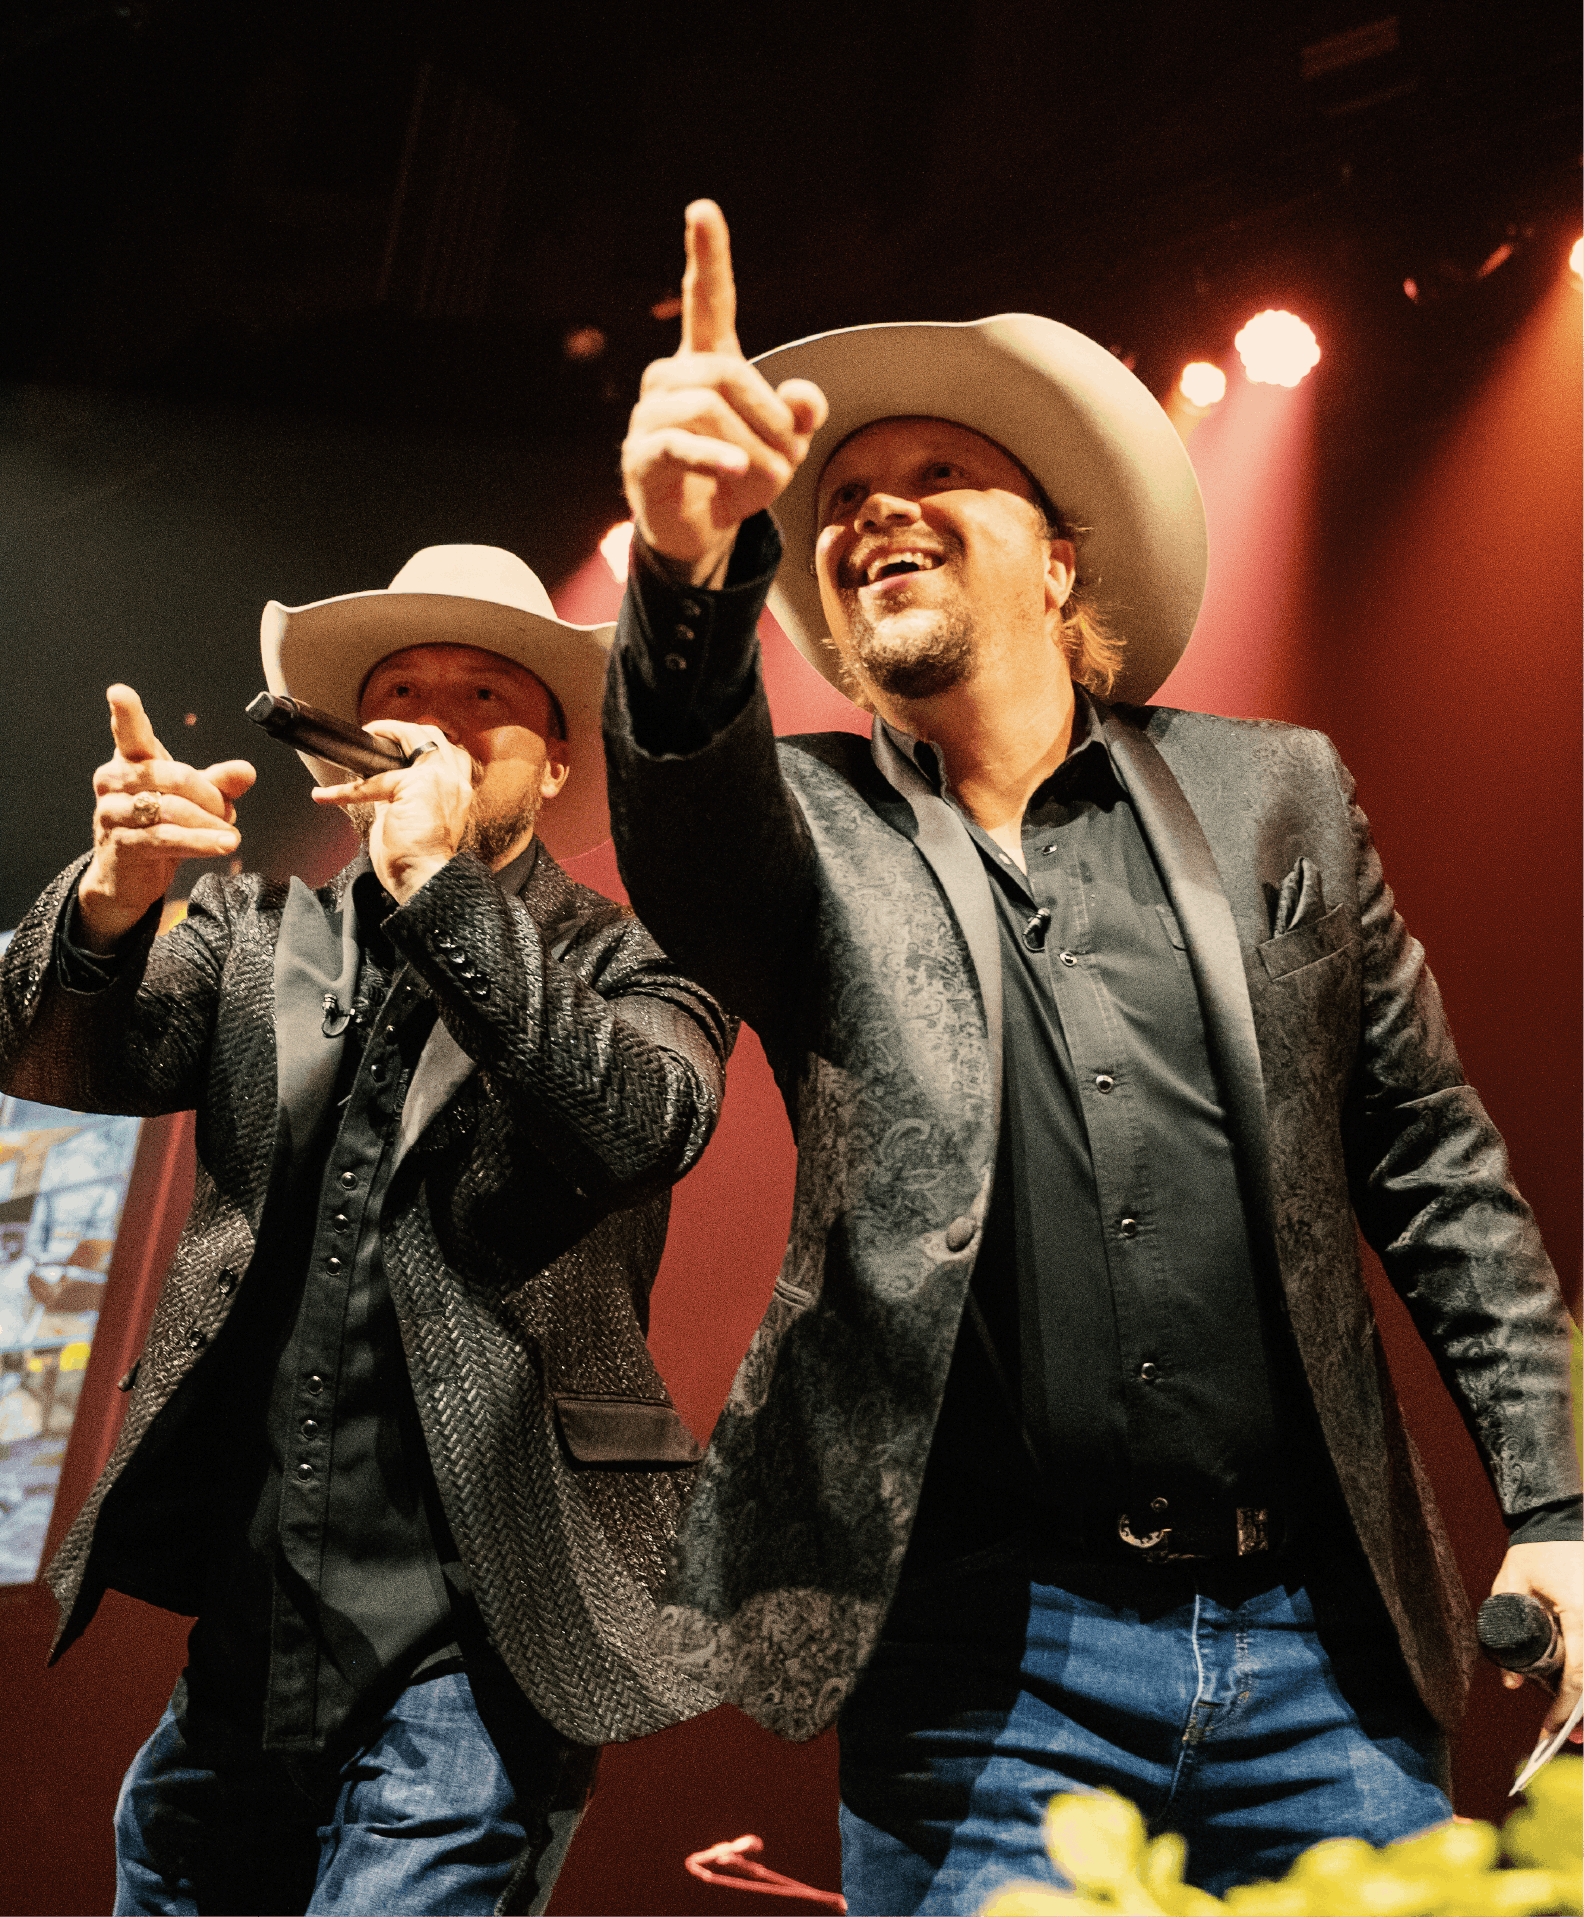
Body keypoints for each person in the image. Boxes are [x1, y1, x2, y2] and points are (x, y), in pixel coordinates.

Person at [601, 201, 1582, 1910]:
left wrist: (1560, 1499)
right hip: (991, 1668)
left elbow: (1433, 1165)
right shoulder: (812, 826)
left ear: (1061, 560)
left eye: (936, 479)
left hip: (1321, 1656)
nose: (874, 510)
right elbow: (686, 822)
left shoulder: (1276, 792)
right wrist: (688, 574)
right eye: (842, 501)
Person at [0, 544, 733, 1916]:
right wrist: (108, 902)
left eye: (482, 697)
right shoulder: (254, 930)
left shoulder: (638, 961)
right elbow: (47, 1060)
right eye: (400, 690)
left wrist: (446, 893)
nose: (430, 722)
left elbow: (635, 1126)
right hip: (250, 1631)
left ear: (560, 762)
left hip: (480, 1640)